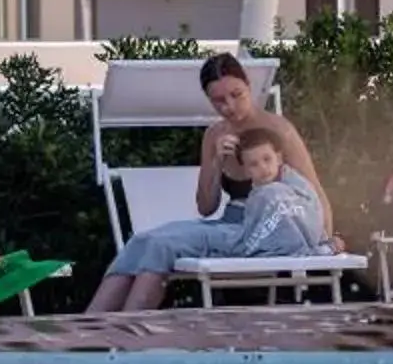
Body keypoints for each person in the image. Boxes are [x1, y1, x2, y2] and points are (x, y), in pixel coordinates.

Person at [84, 53, 337, 314]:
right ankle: (89, 329)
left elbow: (314, 191)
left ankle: (125, 332)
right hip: (229, 225)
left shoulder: (278, 130)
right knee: (142, 240)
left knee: (163, 245)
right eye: (219, 100)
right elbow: (206, 207)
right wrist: (216, 162)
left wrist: (326, 243)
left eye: (236, 95)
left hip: (260, 231)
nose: (229, 106)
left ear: (248, 85)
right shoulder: (215, 135)